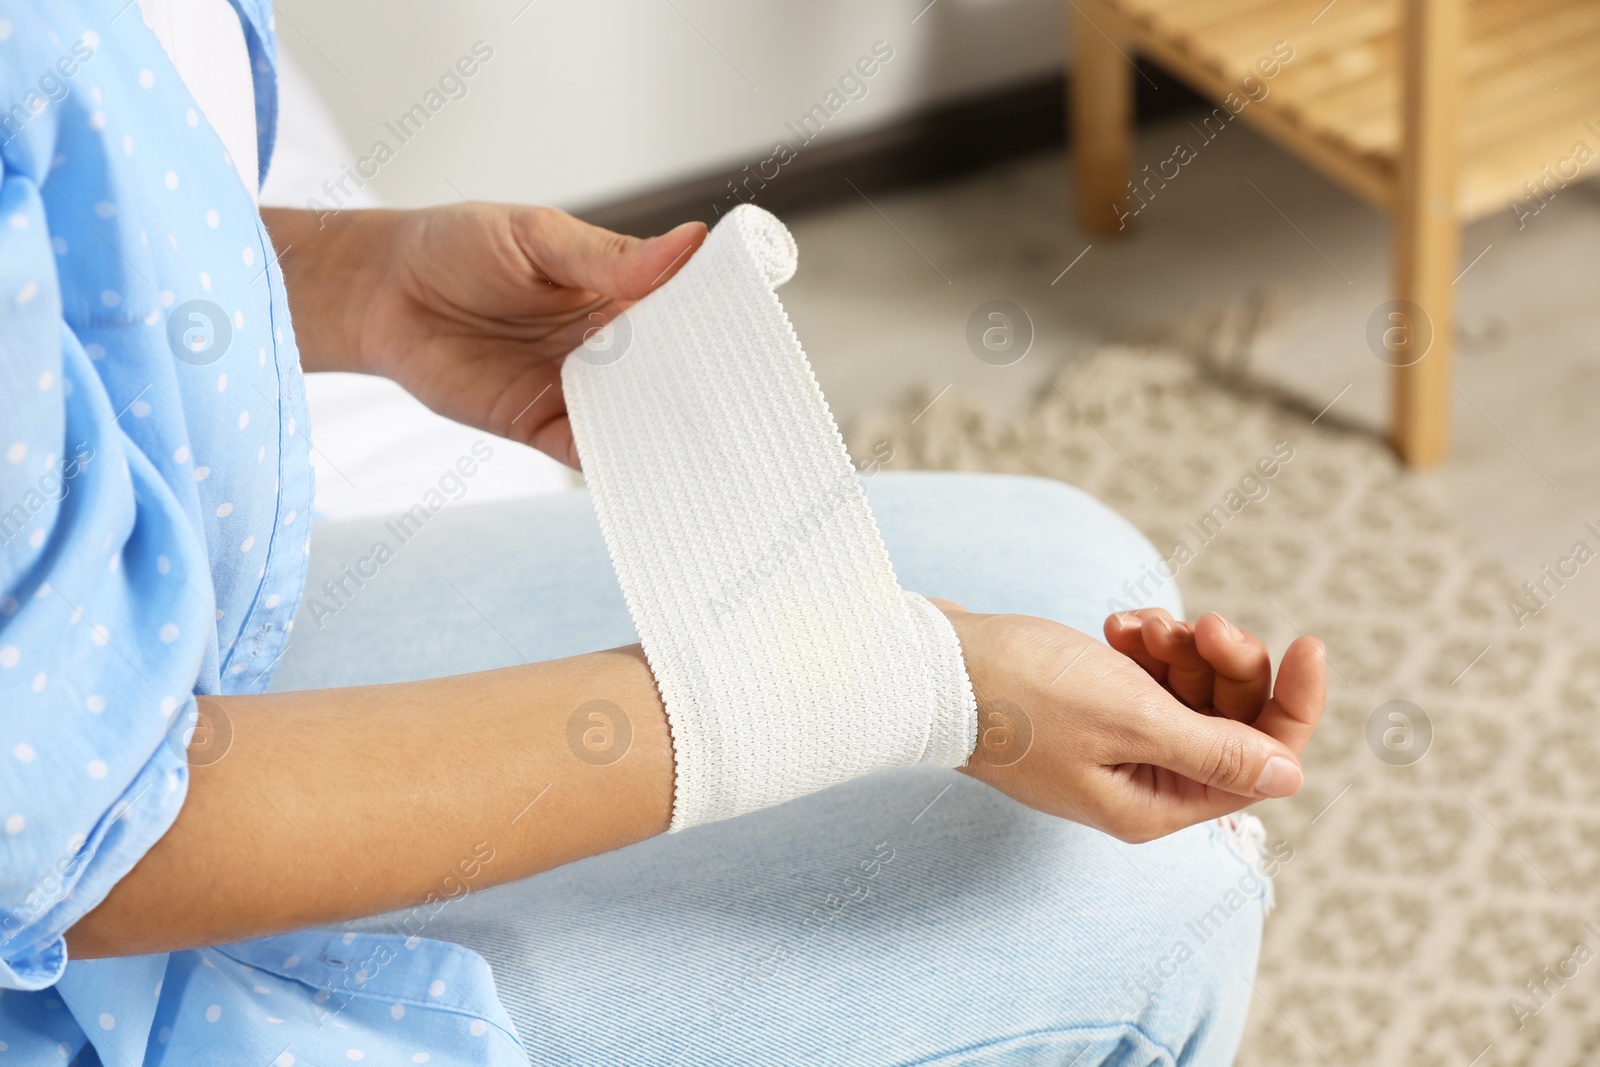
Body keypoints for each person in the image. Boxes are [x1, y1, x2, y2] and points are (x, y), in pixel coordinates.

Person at [0, 0, 1325, 1063]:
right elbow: (86, 836)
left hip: (144, 630)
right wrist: (905, 684)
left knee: (1069, 569)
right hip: (94, 900)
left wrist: (359, 281)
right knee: (1147, 914)